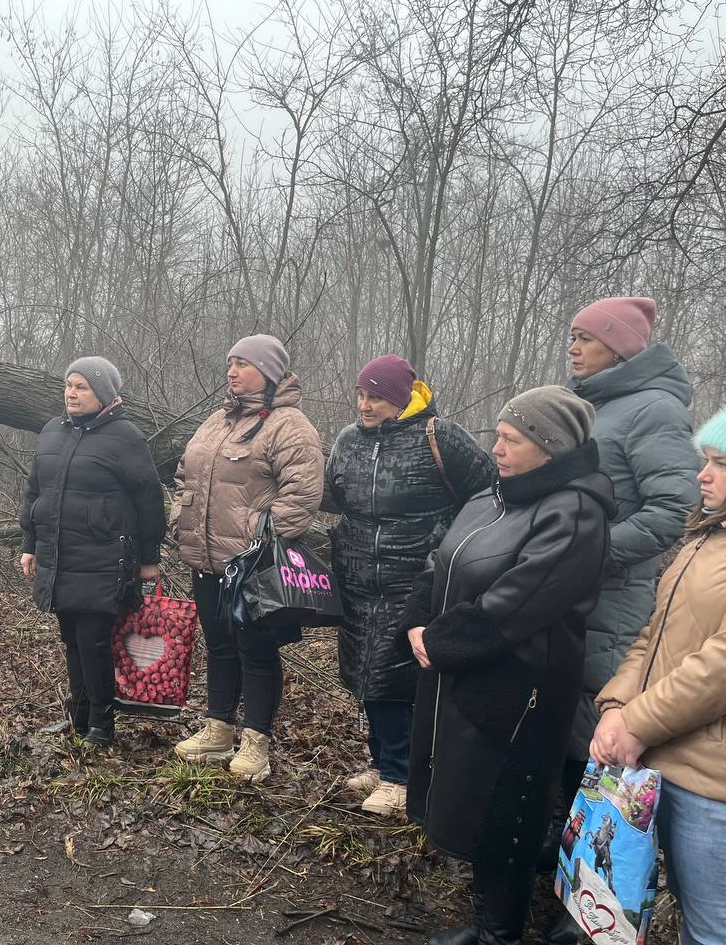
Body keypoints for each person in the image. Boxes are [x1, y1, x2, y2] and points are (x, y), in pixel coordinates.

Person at [404, 386, 615, 945]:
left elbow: (518, 602)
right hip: (466, 672)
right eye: (496, 434)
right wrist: (415, 618)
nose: (495, 447)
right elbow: (442, 559)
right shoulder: (494, 496)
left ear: (549, 449)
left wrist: (440, 639)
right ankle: (486, 920)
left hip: (522, 688)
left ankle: (500, 932)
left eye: (511, 439)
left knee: (508, 811)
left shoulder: (573, 512)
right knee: (474, 798)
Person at [326, 354, 495, 816]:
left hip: (414, 580)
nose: (365, 405)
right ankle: (382, 763)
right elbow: (334, 494)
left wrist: (444, 545)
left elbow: (487, 494)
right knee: (362, 674)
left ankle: (402, 777)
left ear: (401, 399)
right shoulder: (348, 441)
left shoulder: (440, 436)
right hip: (358, 578)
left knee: (394, 675)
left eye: (377, 397)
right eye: (361, 394)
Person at [556, 297, 700, 830]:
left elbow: (675, 510)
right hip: (565, 589)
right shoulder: (592, 405)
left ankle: (591, 885)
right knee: (559, 719)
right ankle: (555, 854)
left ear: (618, 347)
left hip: (611, 596)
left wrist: (586, 554)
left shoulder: (654, 409)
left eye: (585, 337)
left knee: (594, 730)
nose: (573, 347)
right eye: (572, 335)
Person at [589, 406, 726, 945]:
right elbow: (652, 635)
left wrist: (639, 723)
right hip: (662, 762)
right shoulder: (702, 542)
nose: (702, 475)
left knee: (711, 927)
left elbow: (719, 664)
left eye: (720, 463)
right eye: (706, 460)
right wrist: (617, 708)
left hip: (713, 786)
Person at [168, 335, 324, 781]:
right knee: (218, 645)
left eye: (243, 364)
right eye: (230, 362)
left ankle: (256, 741)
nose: (232, 371)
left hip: (253, 566)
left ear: (270, 372)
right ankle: (218, 728)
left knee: (256, 650)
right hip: (207, 560)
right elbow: (185, 474)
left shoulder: (289, 425)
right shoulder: (217, 421)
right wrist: (181, 515)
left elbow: (303, 494)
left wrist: (259, 540)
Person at [19, 357, 166, 749]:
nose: (71, 392)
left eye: (82, 386)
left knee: (93, 639)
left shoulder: (125, 436)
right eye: (68, 384)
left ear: (103, 394)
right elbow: (37, 492)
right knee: (70, 637)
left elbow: (149, 500)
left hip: (104, 558)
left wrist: (149, 559)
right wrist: (29, 545)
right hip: (59, 556)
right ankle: (78, 715)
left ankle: (102, 724)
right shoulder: (52, 431)